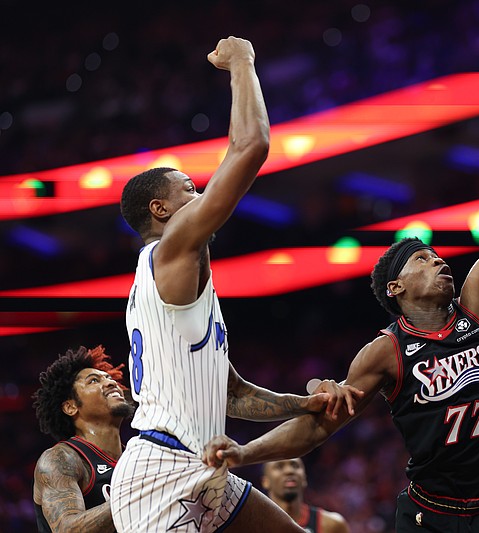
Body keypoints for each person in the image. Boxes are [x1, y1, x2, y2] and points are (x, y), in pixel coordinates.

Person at [202, 27, 479, 532]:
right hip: (431, 516)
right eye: (424, 260)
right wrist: (243, 452)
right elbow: (317, 425)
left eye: (439, 259)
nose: (441, 264)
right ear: (396, 288)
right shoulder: (384, 353)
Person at [112, 36, 361, 533]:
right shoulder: (173, 247)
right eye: (189, 189)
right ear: (161, 211)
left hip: (205, 466)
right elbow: (251, 146)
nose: (201, 194)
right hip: (162, 472)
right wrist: (242, 61)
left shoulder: (172, 278)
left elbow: (233, 396)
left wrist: (304, 403)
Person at [32, 345, 135, 532]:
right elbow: (66, 529)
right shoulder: (62, 459)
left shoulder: (136, 457)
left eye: (110, 378)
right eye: (94, 380)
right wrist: (137, 495)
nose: (112, 384)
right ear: (71, 407)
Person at [262, 458, 350, 533]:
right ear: (265, 481)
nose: (289, 471)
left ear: (304, 479)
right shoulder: (252, 525)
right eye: (279, 466)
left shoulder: (331, 525)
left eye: (295, 466)